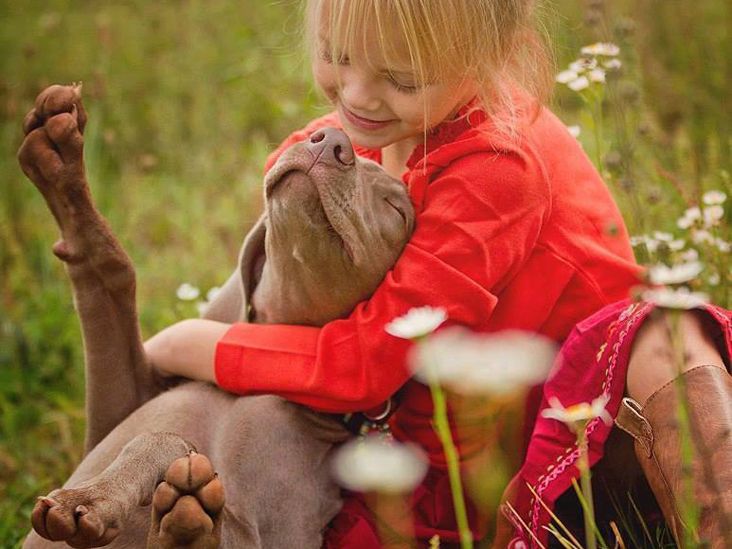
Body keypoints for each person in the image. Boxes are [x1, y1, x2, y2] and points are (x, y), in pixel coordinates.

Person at [144, 1, 731, 547]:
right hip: (435, 433)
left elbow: (370, 359)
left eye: (400, 80)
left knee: (665, 334)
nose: (356, 94)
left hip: (569, 437)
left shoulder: (499, 167)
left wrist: (196, 344)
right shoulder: (383, 131)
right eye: (337, 54)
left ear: (492, 59)